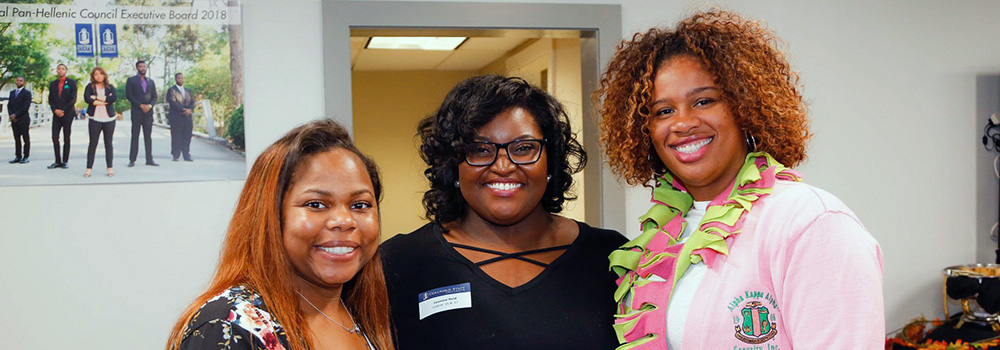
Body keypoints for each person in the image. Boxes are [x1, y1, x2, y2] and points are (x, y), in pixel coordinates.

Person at [594, 10, 884, 349]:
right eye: (664, 111)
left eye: (704, 101)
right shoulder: (659, 241)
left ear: (745, 107)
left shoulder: (810, 222)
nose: (683, 123)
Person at [381, 75, 627, 349]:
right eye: (480, 149)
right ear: (453, 165)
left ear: (551, 160)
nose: (503, 166)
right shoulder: (398, 263)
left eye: (523, 148)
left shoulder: (613, 257)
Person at [166, 119, 393, 350]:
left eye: (360, 205)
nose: (344, 221)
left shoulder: (360, 310)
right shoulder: (229, 326)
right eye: (315, 204)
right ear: (270, 216)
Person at [83, 67, 118, 178]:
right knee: (93, 144)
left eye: (100, 74)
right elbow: (87, 99)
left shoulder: (110, 87)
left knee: (108, 143)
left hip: (109, 119)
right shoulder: (89, 87)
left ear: (104, 75)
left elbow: (113, 98)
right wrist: (105, 100)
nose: (98, 76)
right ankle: (88, 169)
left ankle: (110, 168)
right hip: (95, 119)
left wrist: (96, 98)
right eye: (96, 74)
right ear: (93, 76)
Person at [125, 60, 158, 167]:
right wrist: (140, 105)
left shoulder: (151, 81)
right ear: (137, 68)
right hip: (136, 112)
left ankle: (149, 159)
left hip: (148, 113)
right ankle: (132, 160)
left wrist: (150, 106)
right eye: (140, 66)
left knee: (148, 136)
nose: (143, 68)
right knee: (135, 135)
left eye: (144, 66)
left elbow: (155, 96)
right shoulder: (131, 80)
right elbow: (129, 95)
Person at [47, 64, 77, 169]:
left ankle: (65, 161)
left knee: (66, 137)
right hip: (56, 114)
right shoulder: (53, 84)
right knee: (55, 137)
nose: (61, 70)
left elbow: (73, 99)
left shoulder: (71, 83)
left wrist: (63, 110)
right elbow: (50, 99)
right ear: (56, 71)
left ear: (66, 71)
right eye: (59, 69)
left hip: (67, 114)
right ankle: (57, 161)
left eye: (63, 69)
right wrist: (55, 110)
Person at [167, 72, 195, 162]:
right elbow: (172, 102)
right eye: (179, 78)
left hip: (187, 117)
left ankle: (186, 155)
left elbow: (192, 102)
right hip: (176, 117)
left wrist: (190, 110)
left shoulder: (188, 91)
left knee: (187, 136)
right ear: (176, 79)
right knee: (176, 136)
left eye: (182, 78)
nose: (181, 80)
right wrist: (183, 110)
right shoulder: (171, 90)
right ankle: (176, 155)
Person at [7, 76, 31, 164]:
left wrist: (16, 114)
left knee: (25, 138)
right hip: (14, 120)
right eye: (17, 80)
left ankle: (26, 156)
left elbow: (25, 106)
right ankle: (18, 156)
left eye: (21, 81)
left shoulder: (27, 93)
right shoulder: (12, 93)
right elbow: (9, 105)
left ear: (24, 82)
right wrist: (11, 115)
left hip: (23, 119)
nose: (19, 82)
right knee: (17, 139)